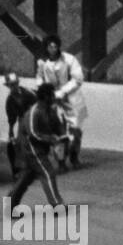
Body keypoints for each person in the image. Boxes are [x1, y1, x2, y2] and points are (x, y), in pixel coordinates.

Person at [8, 82, 67, 208]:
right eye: (51, 95)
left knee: (26, 177)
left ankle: (10, 203)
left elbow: (57, 126)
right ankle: (57, 205)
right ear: (45, 96)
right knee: (48, 173)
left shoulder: (50, 110)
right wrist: (51, 139)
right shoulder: (34, 112)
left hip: (40, 148)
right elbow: (33, 134)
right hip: (31, 149)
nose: (54, 97)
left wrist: (63, 137)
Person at [36, 35, 86, 170]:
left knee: (76, 131)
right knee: (57, 131)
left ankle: (74, 157)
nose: (53, 49)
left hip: (71, 99)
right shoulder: (43, 63)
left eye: (55, 46)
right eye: (50, 46)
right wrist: (44, 90)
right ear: (46, 47)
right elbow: (39, 78)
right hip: (52, 101)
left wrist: (62, 91)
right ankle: (61, 161)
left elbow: (78, 79)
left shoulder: (69, 59)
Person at [3, 71, 37, 178]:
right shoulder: (10, 100)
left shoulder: (28, 93)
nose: (13, 87)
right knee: (18, 145)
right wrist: (10, 132)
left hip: (33, 118)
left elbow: (38, 105)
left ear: (18, 83)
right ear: (8, 86)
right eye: (11, 85)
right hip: (22, 120)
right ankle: (18, 170)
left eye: (15, 84)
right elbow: (11, 118)